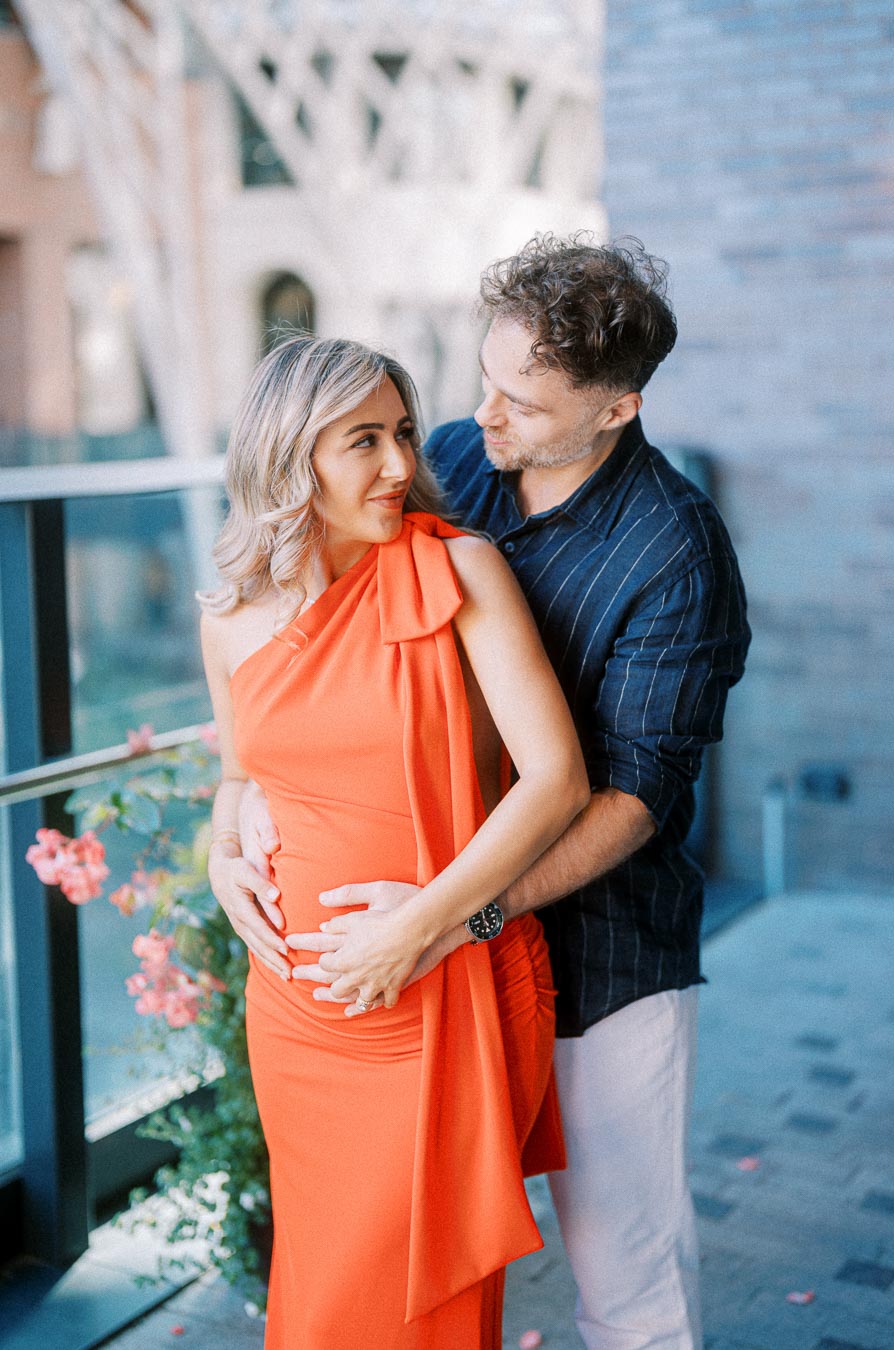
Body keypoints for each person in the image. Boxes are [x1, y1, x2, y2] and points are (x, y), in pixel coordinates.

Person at [221, 235, 752, 1349]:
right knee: (375, 1258)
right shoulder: (455, 462)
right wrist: (238, 838)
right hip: (412, 973)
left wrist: (456, 919)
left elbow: (631, 797)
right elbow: (300, 677)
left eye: (522, 399)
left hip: (600, 953)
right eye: (483, 380)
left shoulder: (677, 552)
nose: (480, 418)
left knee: (627, 1274)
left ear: (616, 408)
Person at [199, 334, 590, 1349]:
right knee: (323, 1293)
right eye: (363, 441)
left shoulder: (460, 569)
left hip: (437, 987)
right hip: (298, 1010)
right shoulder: (231, 616)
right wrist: (218, 857)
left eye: (405, 433)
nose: (402, 466)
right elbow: (244, 772)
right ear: (291, 457)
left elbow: (556, 780)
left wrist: (417, 924)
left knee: (425, 1303)